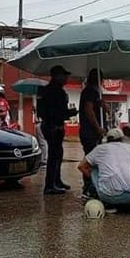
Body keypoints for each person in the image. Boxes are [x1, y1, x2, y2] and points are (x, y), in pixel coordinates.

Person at [77, 128, 130, 218]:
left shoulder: (100, 148)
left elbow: (81, 166)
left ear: (107, 139)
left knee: (95, 167)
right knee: (129, 172)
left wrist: (94, 179)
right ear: (122, 139)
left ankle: (96, 193)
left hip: (107, 196)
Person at [37, 65, 78, 195]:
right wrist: (71, 112)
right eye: (64, 75)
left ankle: (57, 181)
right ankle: (50, 185)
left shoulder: (46, 90)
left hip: (49, 126)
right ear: (57, 76)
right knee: (54, 156)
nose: (66, 78)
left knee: (58, 154)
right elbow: (58, 112)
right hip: (53, 127)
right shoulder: (56, 91)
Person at [79, 68, 108, 197]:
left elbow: (95, 107)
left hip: (93, 133)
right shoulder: (90, 91)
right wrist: (98, 128)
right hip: (90, 133)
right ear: (100, 80)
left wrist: (103, 105)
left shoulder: (96, 93)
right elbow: (89, 110)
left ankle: (94, 186)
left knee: (95, 160)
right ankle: (89, 187)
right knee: (91, 160)